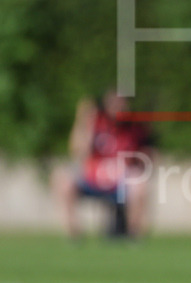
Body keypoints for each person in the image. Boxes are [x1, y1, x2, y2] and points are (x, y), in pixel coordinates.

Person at [51, 89, 156, 240]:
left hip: (121, 181)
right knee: (62, 179)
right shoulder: (94, 122)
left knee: (140, 183)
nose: (118, 107)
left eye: (122, 103)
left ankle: (134, 236)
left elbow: (147, 157)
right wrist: (83, 119)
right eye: (114, 103)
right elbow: (77, 151)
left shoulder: (136, 128)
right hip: (92, 178)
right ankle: (74, 235)